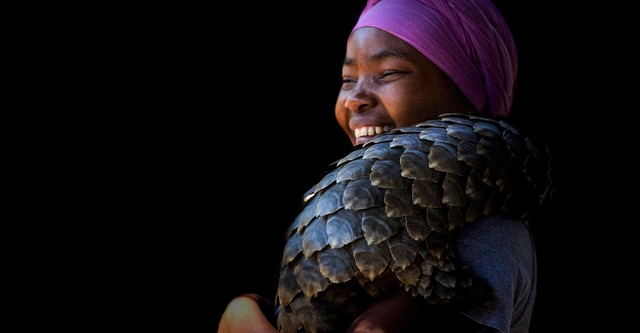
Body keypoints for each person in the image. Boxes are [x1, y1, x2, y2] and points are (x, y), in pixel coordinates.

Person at [218, 0, 545, 332]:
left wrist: (240, 319)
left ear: (468, 95)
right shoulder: (362, 209)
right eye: (347, 79)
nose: (355, 98)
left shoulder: (484, 229)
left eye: (388, 73)